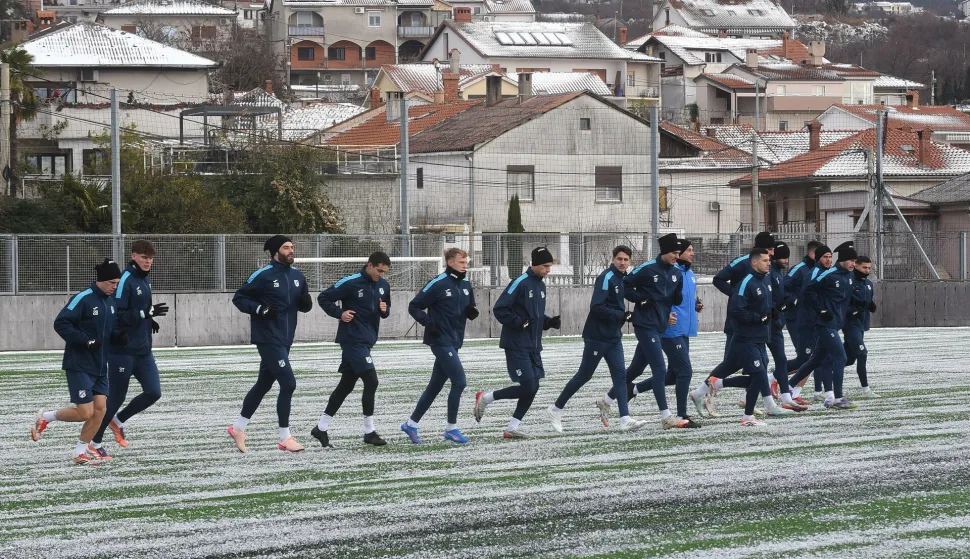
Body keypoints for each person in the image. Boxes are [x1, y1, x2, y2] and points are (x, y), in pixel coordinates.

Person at [547, 245, 647, 433]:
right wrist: (621, 315)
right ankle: (555, 409)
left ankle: (625, 419)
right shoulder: (606, 277)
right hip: (597, 337)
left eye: (626, 260)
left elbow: (631, 294)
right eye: (619, 259)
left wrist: (648, 297)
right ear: (613, 258)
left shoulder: (622, 278)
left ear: (630, 261)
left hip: (613, 337)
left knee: (620, 377)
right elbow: (596, 307)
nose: (623, 262)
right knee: (584, 376)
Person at [228, 235, 312, 453]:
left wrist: (306, 302)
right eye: (286, 247)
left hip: (285, 340)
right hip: (267, 339)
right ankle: (285, 437)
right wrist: (259, 309)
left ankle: (238, 428)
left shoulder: (297, 276)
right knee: (289, 383)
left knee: (264, 384)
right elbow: (239, 298)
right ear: (275, 251)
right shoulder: (263, 274)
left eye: (292, 247)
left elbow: (304, 305)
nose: (291, 250)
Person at [33, 259, 122, 465]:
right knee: (85, 412)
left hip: (100, 365)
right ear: (101, 280)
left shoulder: (111, 302)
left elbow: (109, 330)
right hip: (79, 364)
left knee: (101, 410)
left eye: (117, 283)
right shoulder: (83, 298)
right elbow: (61, 323)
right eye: (112, 282)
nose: (114, 287)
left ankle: (80, 453)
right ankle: (46, 417)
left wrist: (118, 335)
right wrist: (85, 340)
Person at [595, 233, 687, 430]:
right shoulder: (647, 269)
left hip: (660, 326)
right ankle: (666, 417)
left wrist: (676, 300)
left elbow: (672, 298)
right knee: (660, 370)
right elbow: (625, 286)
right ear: (664, 251)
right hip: (645, 325)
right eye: (674, 253)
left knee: (636, 369)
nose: (676, 257)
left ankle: (606, 400)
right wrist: (640, 299)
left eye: (678, 253)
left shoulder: (677, 273)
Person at [688, 249, 793, 422]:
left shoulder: (765, 279)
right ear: (754, 262)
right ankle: (749, 415)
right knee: (759, 375)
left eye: (769, 260)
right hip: (746, 337)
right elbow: (736, 311)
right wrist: (757, 318)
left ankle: (712, 389)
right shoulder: (746, 283)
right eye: (765, 260)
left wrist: (775, 311)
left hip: (760, 336)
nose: (769, 263)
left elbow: (765, 306)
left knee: (740, 370)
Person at [89, 240, 168, 460]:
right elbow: (115, 312)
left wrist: (148, 318)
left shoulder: (145, 278)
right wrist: (143, 314)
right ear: (133, 256)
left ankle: (118, 421)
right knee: (114, 398)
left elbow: (142, 308)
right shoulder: (124, 280)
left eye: (151, 258)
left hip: (143, 350)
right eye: (144, 257)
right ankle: (94, 442)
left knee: (154, 392)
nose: (148, 261)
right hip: (122, 351)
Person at [474, 246, 561, 438]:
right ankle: (486, 398)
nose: (548, 270)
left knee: (533, 387)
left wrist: (548, 322)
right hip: (516, 343)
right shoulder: (520, 282)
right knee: (528, 386)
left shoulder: (541, 285)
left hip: (533, 345)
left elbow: (533, 315)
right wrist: (520, 323)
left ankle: (512, 429)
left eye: (550, 266)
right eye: (546, 266)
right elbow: (500, 309)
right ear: (535, 264)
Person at [312, 251, 392, 448]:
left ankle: (321, 428)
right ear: (370, 265)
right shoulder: (351, 282)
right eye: (379, 270)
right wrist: (340, 313)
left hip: (366, 341)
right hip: (352, 340)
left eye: (385, 272)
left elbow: (386, 308)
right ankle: (369, 431)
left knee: (346, 385)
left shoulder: (383, 285)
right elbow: (324, 298)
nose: (381, 274)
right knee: (371, 381)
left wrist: (385, 310)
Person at [402, 248, 479, 445]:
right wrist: (428, 323)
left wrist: (470, 311)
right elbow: (414, 306)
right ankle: (451, 429)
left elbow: (469, 305)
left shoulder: (465, 284)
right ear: (451, 262)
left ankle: (411, 424)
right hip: (440, 340)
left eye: (466, 262)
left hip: (454, 341)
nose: (465, 265)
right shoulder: (437, 283)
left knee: (435, 386)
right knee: (459, 381)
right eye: (462, 262)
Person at [788, 241, 858, 409]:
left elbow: (844, 298)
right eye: (852, 261)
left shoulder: (849, 275)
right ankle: (838, 398)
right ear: (843, 260)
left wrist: (861, 304)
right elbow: (808, 291)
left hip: (835, 324)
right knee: (840, 357)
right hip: (824, 324)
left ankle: (789, 387)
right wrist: (821, 310)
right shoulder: (828, 274)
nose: (854, 265)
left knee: (816, 360)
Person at [657, 238, 702, 427]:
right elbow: (661, 298)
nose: (692, 253)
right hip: (671, 330)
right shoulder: (673, 273)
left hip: (685, 330)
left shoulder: (690, 274)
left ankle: (632, 389)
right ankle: (682, 414)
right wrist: (665, 316)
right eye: (689, 250)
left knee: (673, 376)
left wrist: (696, 305)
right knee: (685, 371)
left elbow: (685, 299)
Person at [713, 232, 776, 360]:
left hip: (758, 323)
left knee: (760, 362)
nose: (773, 253)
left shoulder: (768, 265)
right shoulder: (741, 262)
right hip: (738, 320)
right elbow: (718, 279)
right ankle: (715, 380)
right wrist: (735, 294)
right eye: (770, 249)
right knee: (730, 361)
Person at [786, 244, 833, 404]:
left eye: (830, 256)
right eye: (825, 256)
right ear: (814, 254)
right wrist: (795, 301)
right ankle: (771, 378)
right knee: (805, 360)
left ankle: (828, 395)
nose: (829, 260)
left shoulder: (823, 272)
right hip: (804, 321)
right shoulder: (804, 270)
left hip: (817, 322)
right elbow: (785, 287)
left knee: (820, 358)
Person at [766, 241, 808, 412]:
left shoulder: (777, 273)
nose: (786, 260)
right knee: (749, 364)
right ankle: (715, 384)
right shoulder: (769, 273)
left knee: (785, 360)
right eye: (782, 257)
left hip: (777, 323)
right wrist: (789, 302)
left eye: (787, 257)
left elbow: (782, 295)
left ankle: (787, 397)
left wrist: (786, 302)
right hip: (768, 323)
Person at [844, 255, 878, 398]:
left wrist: (871, 306)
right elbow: (844, 303)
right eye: (864, 267)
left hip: (862, 325)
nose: (867, 270)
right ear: (856, 265)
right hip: (851, 325)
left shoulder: (869, 284)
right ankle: (866, 390)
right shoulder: (849, 281)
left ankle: (820, 367)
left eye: (869, 268)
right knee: (862, 353)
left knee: (849, 359)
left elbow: (868, 302)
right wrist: (854, 309)